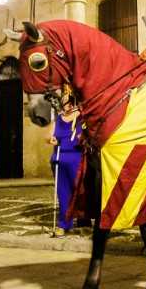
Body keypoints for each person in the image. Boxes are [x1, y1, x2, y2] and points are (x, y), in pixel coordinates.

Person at [48, 84, 83, 233]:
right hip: (59, 158)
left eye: (69, 103)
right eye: (64, 103)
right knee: (63, 193)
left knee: (80, 191)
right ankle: (64, 224)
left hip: (76, 157)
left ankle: (83, 219)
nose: (67, 106)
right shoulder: (59, 118)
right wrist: (51, 139)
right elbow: (50, 135)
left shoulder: (81, 117)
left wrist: (82, 137)